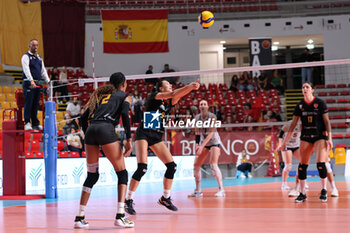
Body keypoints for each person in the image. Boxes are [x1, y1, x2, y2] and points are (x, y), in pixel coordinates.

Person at [124, 79, 200, 215]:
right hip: (144, 132)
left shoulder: (170, 101)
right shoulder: (155, 96)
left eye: (171, 84)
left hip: (156, 136)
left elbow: (178, 94)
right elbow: (174, 93)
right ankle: (128, 200)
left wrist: (191, 88)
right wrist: (189, 86)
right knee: (142, 168)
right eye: (167, 84)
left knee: (172, 166)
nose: (170, 85)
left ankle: (165, 198)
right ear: (160, 88)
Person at [74, 72, 134, 228]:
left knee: (92, 176)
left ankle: (79, 218)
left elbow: (82, 118)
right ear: (124, 83)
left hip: (91, 131)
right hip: (106, 130)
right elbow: (125, 116)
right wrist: (129, 138)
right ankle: (120, 216)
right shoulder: (124, 95)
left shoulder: (100, 96)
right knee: (122, 173)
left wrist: (88, 133)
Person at [277, 82, 333, 203]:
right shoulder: (300, 106)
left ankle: (324, 190)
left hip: (320, 136)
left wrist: (330, 138)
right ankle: (302, 193)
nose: (305, 89)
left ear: (312, 90)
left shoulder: (320, 103)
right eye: (303, 87)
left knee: (320, 164)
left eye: (307, 87)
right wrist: (284, 142)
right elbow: (292, 125)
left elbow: (327, 121)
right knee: (302, 166)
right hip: (306, 137)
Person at [188, 100, 225, 198]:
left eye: (204, 104)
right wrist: (196, 144)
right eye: (201, 104)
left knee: (213, 165)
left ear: (208, 107)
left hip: (213, 142)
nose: (202, 106)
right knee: (196, 166)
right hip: (203, 143)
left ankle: (221, 190)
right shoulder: (197, 118)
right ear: (199, 107)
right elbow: (197, 132)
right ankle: (198, 191)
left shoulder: (212, 117)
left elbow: (211, 133)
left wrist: (201, 146)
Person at [21, 39, 50, 130]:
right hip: (29, 83)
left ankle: (35, 123)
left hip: (38, 83)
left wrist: (48, 81)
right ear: (29, 46)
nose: (35, 47)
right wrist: (31, 80)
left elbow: (43, 71)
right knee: (29, 103)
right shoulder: (26, 57)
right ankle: (27, 122)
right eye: (33, 45)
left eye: (37, 45)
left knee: (35, 104)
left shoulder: (39, 58)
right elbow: (26, 70)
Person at [278, 121, 301, 191]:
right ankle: (284, 184)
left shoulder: (303, 124)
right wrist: (280, 144)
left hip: (296, 145)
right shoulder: (288, 124)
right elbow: (281, 134)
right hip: (286, 145)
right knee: (288, 166)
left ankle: (302, 181)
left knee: (303, 163)